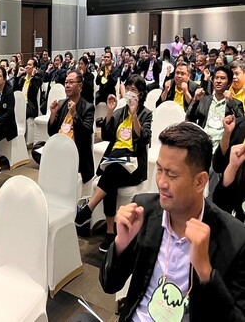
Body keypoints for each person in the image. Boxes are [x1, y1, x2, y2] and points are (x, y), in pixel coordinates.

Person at [100, 122, 245, 321]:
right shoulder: (144, 211)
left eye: (172, 174)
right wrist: (120, 245)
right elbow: (109, 285)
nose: (161, 182)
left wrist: (206, 272)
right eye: (159, 169)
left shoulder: (235, 238)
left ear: (200, 182)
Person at [76, 75, 152, 252]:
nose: (130, 93)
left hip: (133, 163)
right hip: (115, 159)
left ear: (141, 94)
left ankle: (90, 211)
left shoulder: (146, 113)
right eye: (128, 89)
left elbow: (144, 138)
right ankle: (110, 231)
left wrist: (134, 115)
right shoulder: (119, 111)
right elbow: (107, 136)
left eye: (134, 90)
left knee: (111, 175)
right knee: (111, 177)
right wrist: (110, 111)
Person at [46, 70, 95, 184]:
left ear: (80, 86)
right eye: (66, 82)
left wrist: (74, 115)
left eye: (71, 82)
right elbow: (51, 132)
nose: (67, 85)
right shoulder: (61, 103)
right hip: (60, 147)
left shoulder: (88, 107)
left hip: (77, 150)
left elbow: (86, 133)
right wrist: (53, 114)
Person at [186, 66, 244, 149]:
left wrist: (231, 103)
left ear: (229, 83)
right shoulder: (204, 100)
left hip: (223, 148)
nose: (218, 81)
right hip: (202, 145)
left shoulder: (236, 103)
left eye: (222, 78)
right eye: (216, 78)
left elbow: (241, 125)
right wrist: (195, 101)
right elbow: (189, 118)